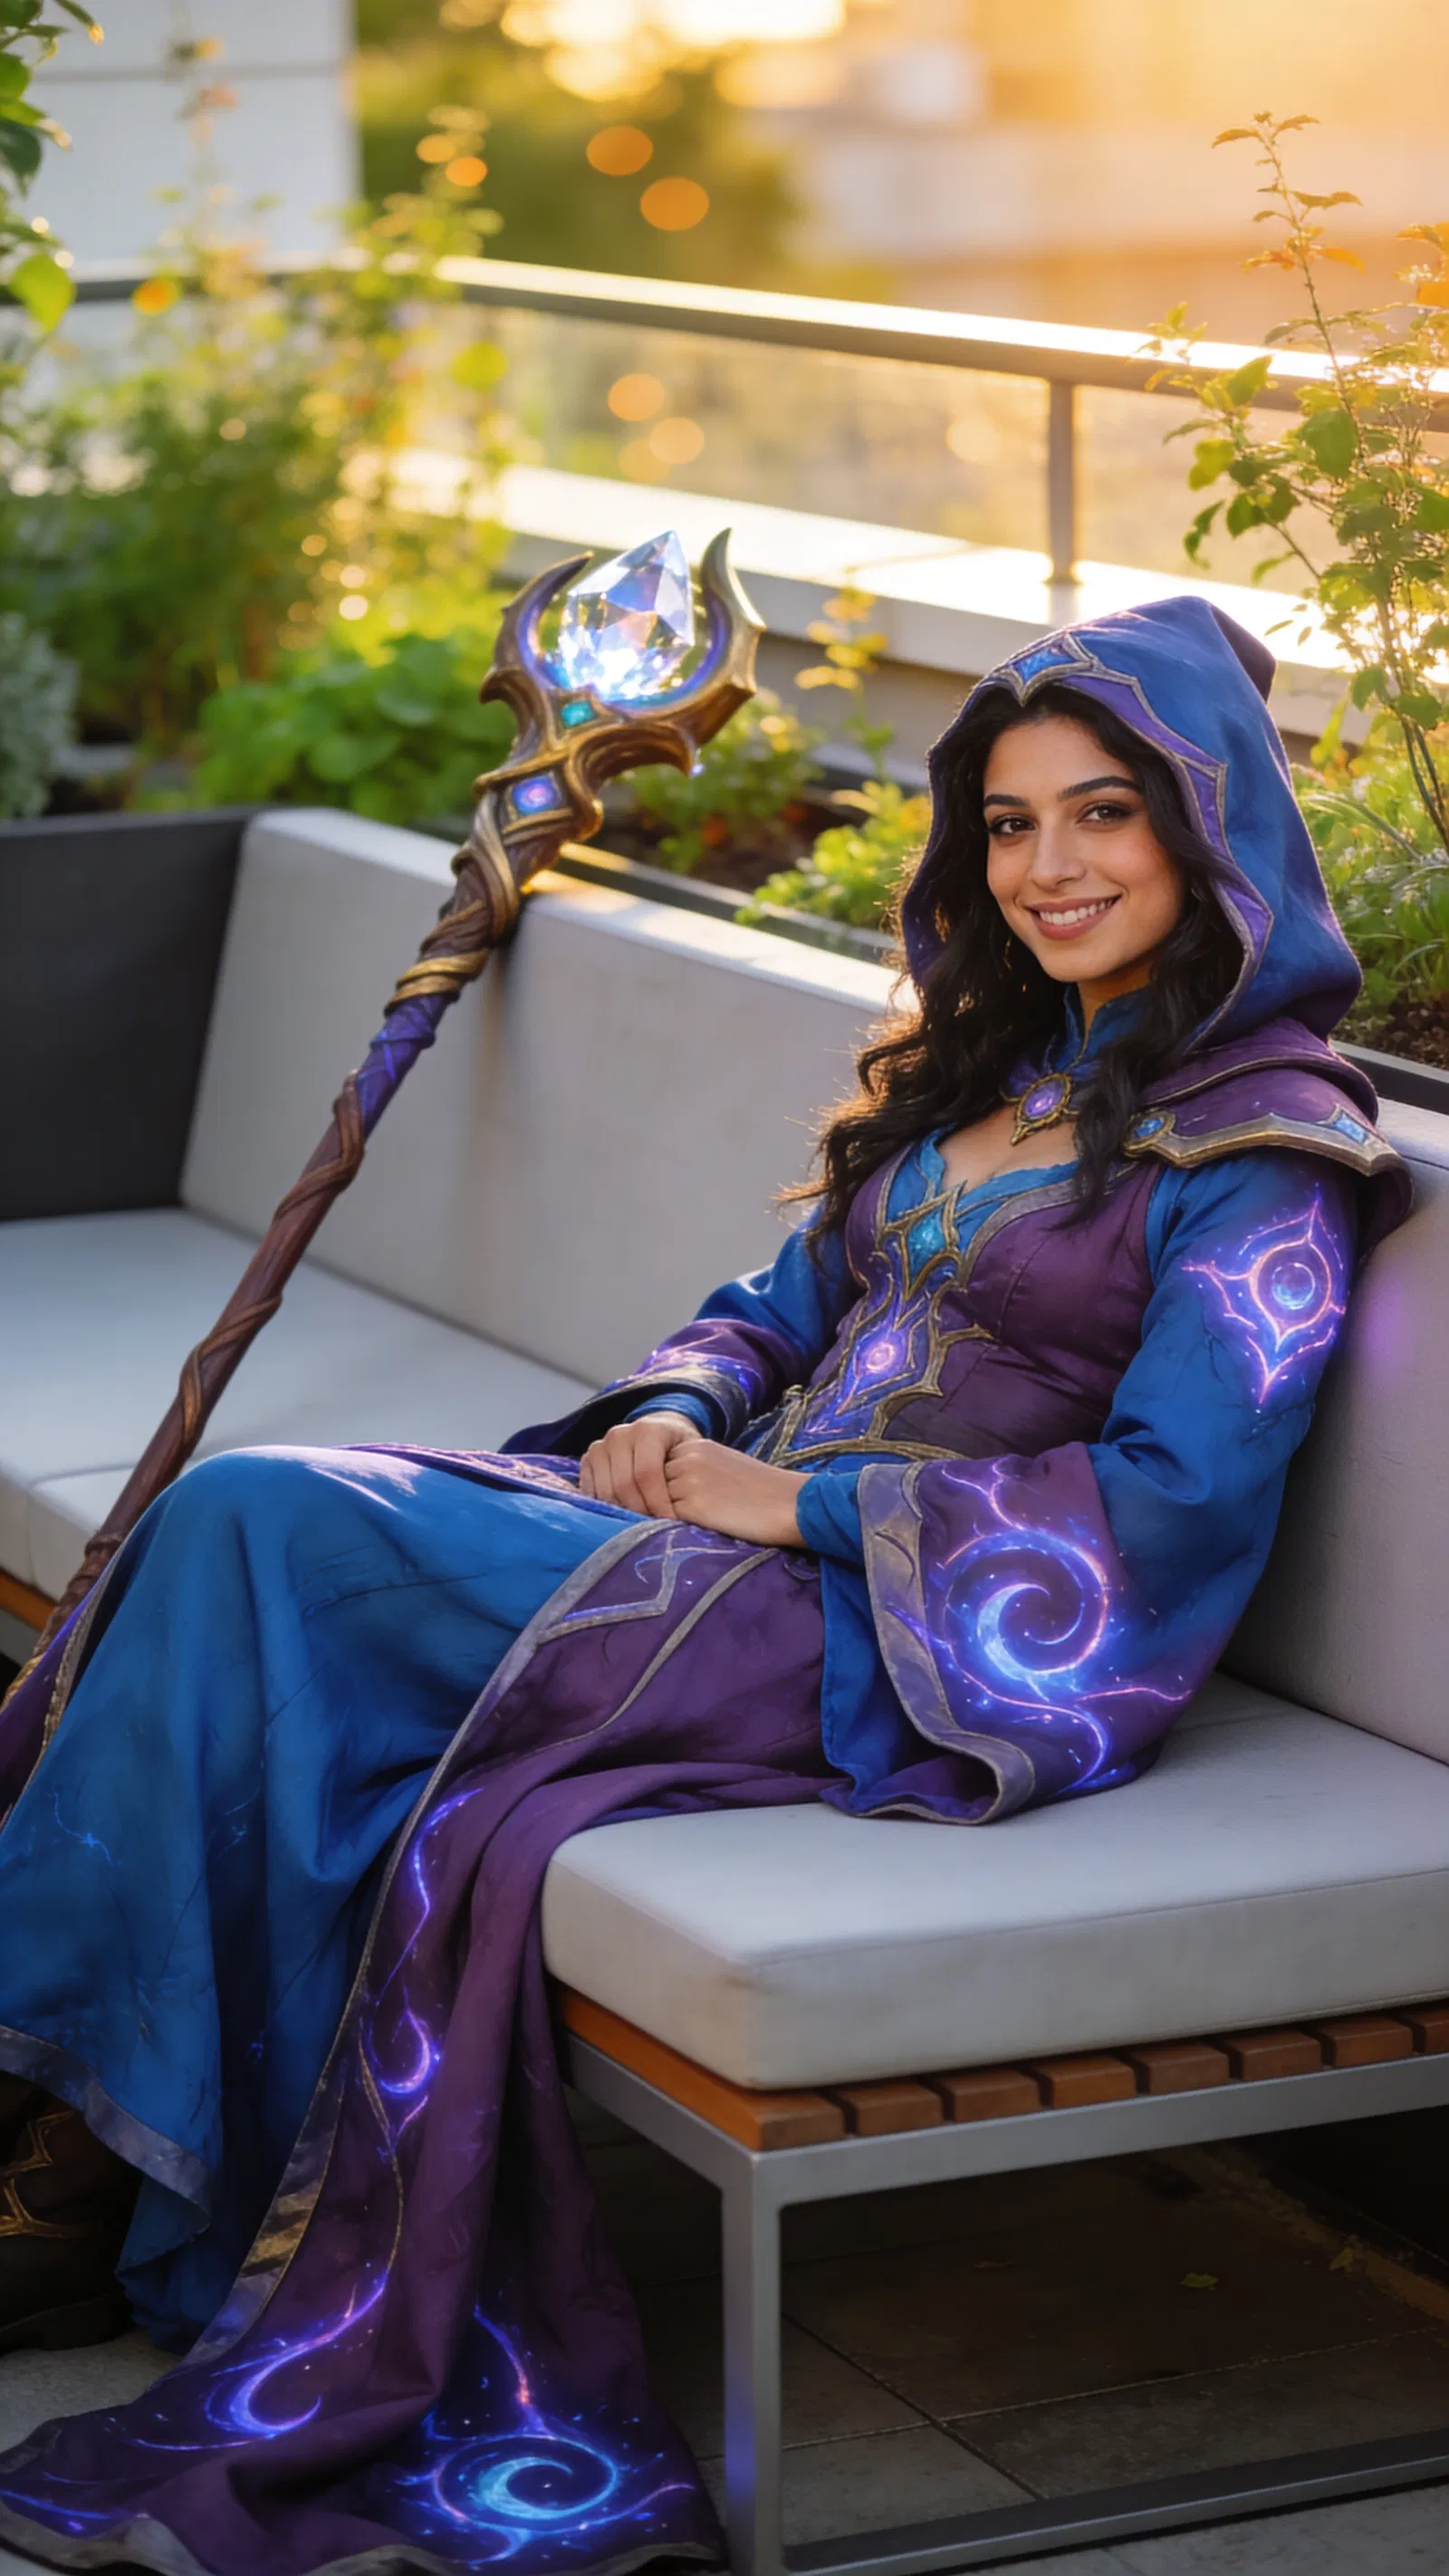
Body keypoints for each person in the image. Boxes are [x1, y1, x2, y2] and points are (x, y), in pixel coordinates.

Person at [0, 597, 1410, 2576]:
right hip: (716, 1549)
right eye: (1005, 827)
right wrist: (675, 1409)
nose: (1049, 868)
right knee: (258, 1578)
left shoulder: (1264, 1150)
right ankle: (92, 2154)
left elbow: (1177, 1501)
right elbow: (766, 1311)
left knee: (262, 1526)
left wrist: (788, 1515)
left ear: (1209, 829)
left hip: (901, 1633)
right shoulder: (976, 1079)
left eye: (1102, 814)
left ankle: (73, 2167)